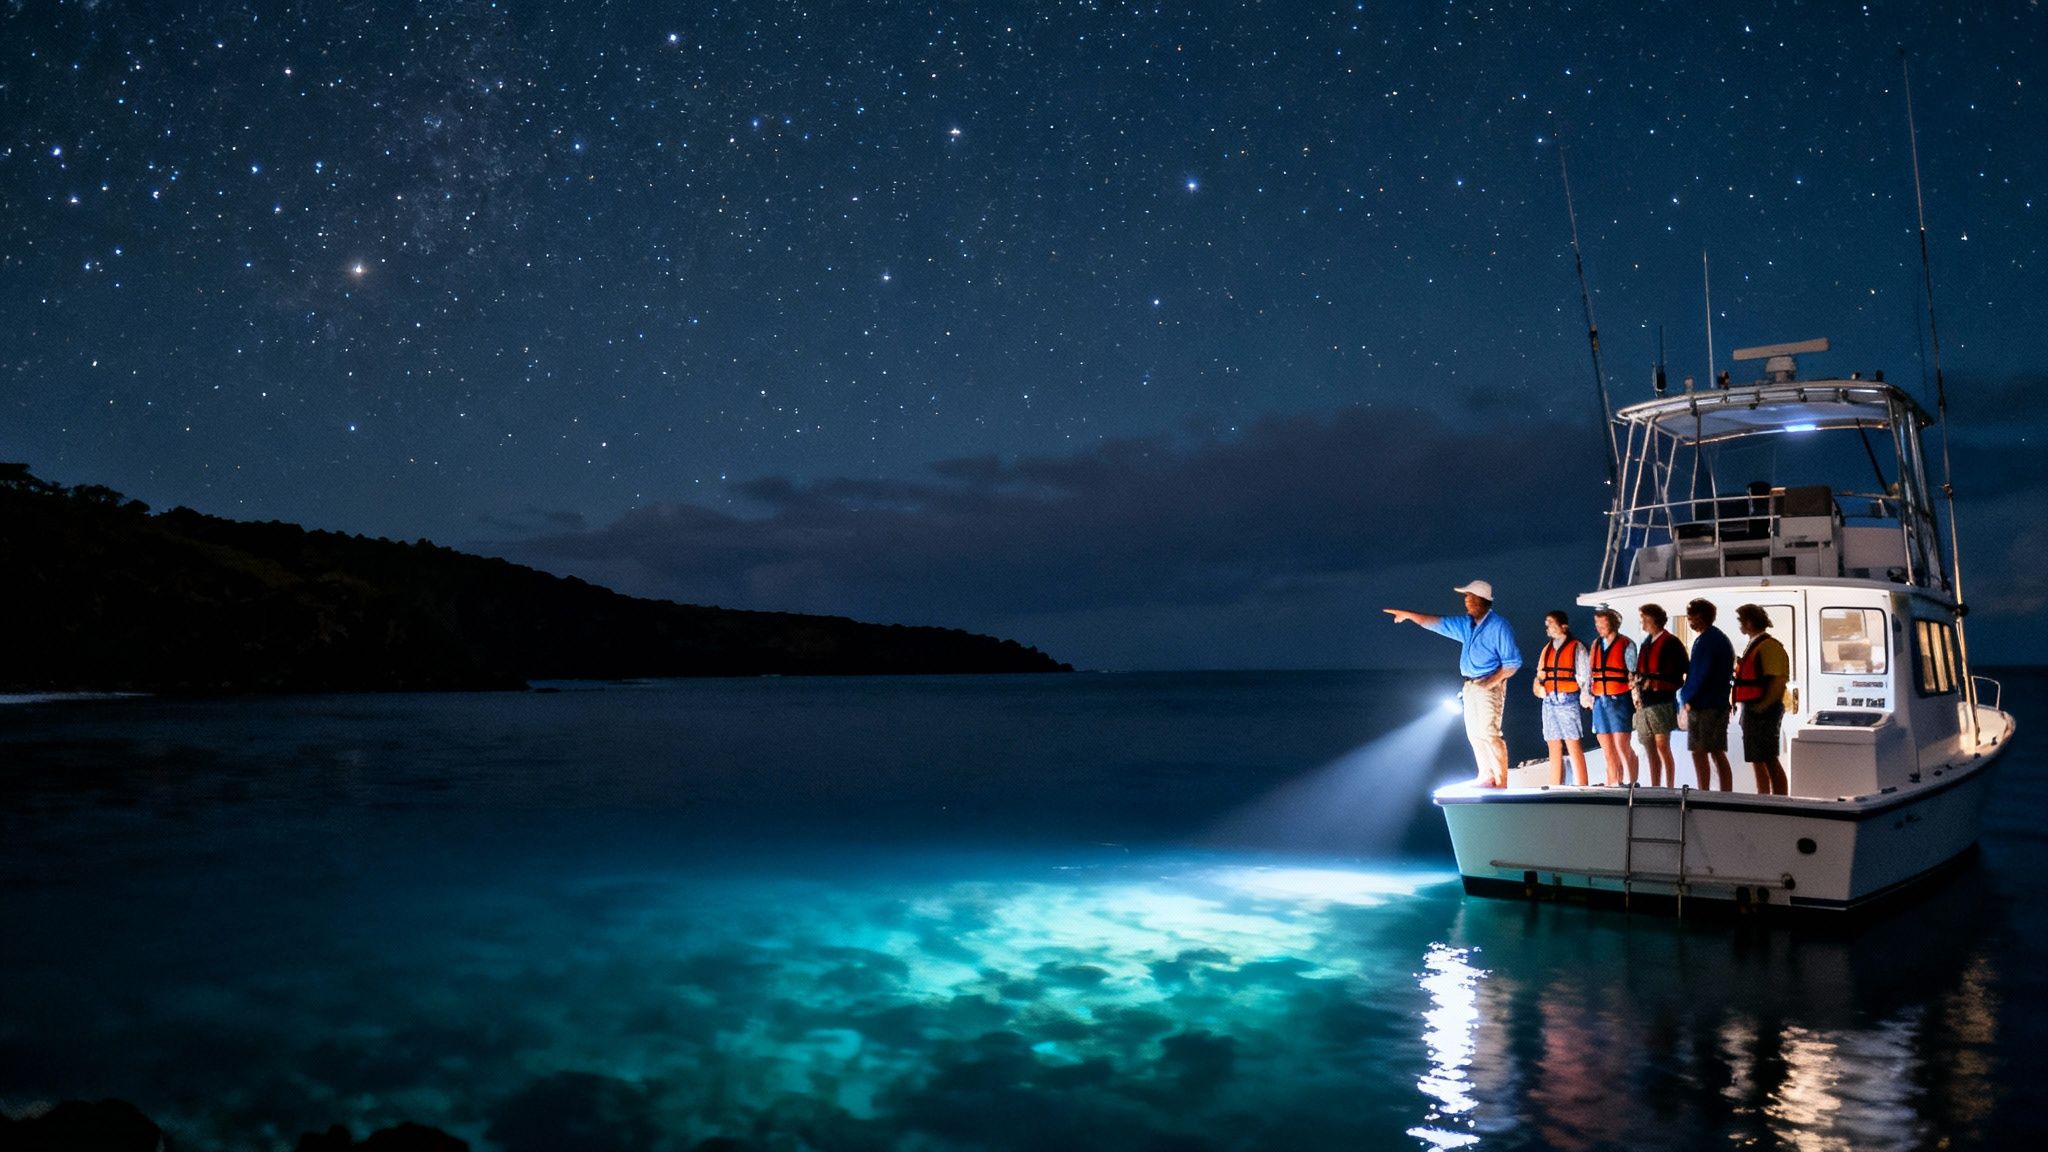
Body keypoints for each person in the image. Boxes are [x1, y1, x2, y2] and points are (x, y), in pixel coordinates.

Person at [1385, 580, 1523, 787]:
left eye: (1470, 596)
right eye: (1466, 596)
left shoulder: (1498, 626)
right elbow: (1437, 623)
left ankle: (1502, 782)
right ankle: (1486, 775)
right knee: (1474, 734)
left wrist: (1490, 682)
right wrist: (1409, 615)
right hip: (1469, 686)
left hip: (1489, 686)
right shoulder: (1466, 625)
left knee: (1490, 733)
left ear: (1482, 600)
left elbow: (1513, 663)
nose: (1466, 600)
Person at [1732, 603, 1791, 795]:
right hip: (1753, 708)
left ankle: (1779, 799)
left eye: (1741, 621)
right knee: (1757, 758)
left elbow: (1778, 681)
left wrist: (1762, 707)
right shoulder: (1756, 645)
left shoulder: (1769, 647)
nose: (1740, 625)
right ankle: (1763, 797)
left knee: (1769, 758)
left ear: (1749, 622)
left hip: (1763, 710)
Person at [1677, 598, 1735, 791]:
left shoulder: (1706, 642)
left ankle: (1704, 792)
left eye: (1691, 617)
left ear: (1699, 617)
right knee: (1716, 751)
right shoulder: (1718, 639)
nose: (1689, 621)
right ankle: (1724, 792)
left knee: (1700, 751)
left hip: (1705, 705)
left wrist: (1685, 697)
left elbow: (1699, 675)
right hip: (1717, 703)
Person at [1632, 604, 1687, 789]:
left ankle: (1670, 786)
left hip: (1662, 700)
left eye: (1645, 619)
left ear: (1654, 620)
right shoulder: (1646, 643)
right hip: (1645, 701)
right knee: (1649, 747)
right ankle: (1655, 786)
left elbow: (1682, 670)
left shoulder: (1671, 642)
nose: (1643, 623)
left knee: (1662, 745)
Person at [1533, 610, 1591, 786]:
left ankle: (1582, 785)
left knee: (1572, 743)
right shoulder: (1547, 649)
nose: (1547, 627)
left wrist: (1585, 693)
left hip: (1568, 700)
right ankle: (1555, 785)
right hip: (1549, 700)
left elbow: (1584, 675)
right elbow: (1540, 674)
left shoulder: (1577, 647)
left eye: (1550, 623)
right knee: (1553, 744)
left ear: (1563, 626)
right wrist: (1538, 686)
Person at [1587, 608, 1639, 785]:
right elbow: (1589, 673)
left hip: (1620, 699)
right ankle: (1612, 782)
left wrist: (1637, 699)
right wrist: (1587, 694)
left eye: (1603, 623)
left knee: (1622, 745)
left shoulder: (1627, 644)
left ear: (1613, 623)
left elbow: (1633, 673)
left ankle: (1632, 782)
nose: (1599, 627)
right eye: (1597, 623)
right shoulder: (1595, 645)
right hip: (1599, 700)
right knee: (1607, 748)